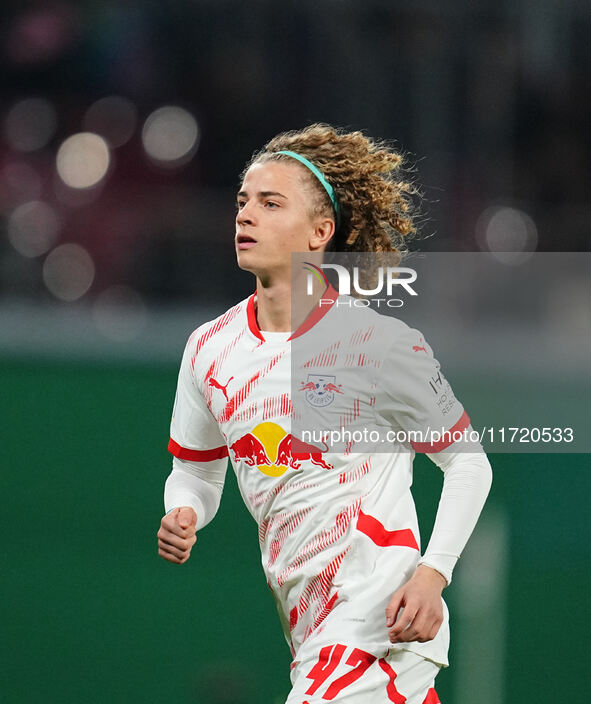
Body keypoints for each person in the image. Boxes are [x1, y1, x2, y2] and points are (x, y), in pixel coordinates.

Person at [157, 124, 492, 703]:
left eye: (270, 203)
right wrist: (183, 510)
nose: (245, 216)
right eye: (242, 202)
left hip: (377, 621)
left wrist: (433, 575)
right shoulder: (210, 349)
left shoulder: (377, 343)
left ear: (319, 232)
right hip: (309, 631)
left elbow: (469, 465)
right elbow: (196, 470)